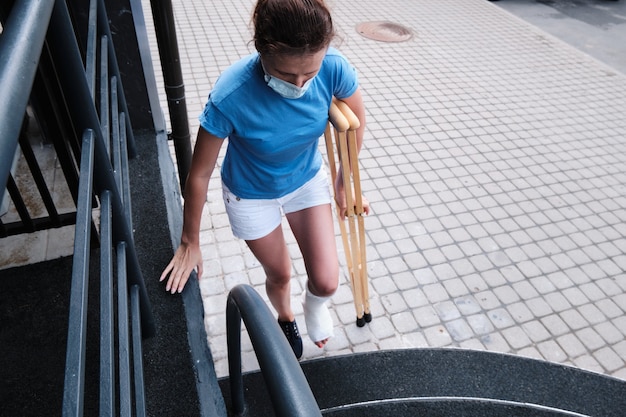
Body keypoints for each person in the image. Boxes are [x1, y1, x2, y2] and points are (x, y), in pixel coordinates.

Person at [159, 0, 369, 359]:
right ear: (262, 52)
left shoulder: (333, 67)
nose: (301, 84)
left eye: (310, 73)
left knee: (326, 280)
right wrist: (189, 240)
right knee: (280, 274)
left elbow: (356, 124)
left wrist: (341, 183)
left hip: (304, 180)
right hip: (251, 195)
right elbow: (199, 174)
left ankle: (313, 307)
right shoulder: (232, 93)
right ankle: (285, 316)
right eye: (288, 75)